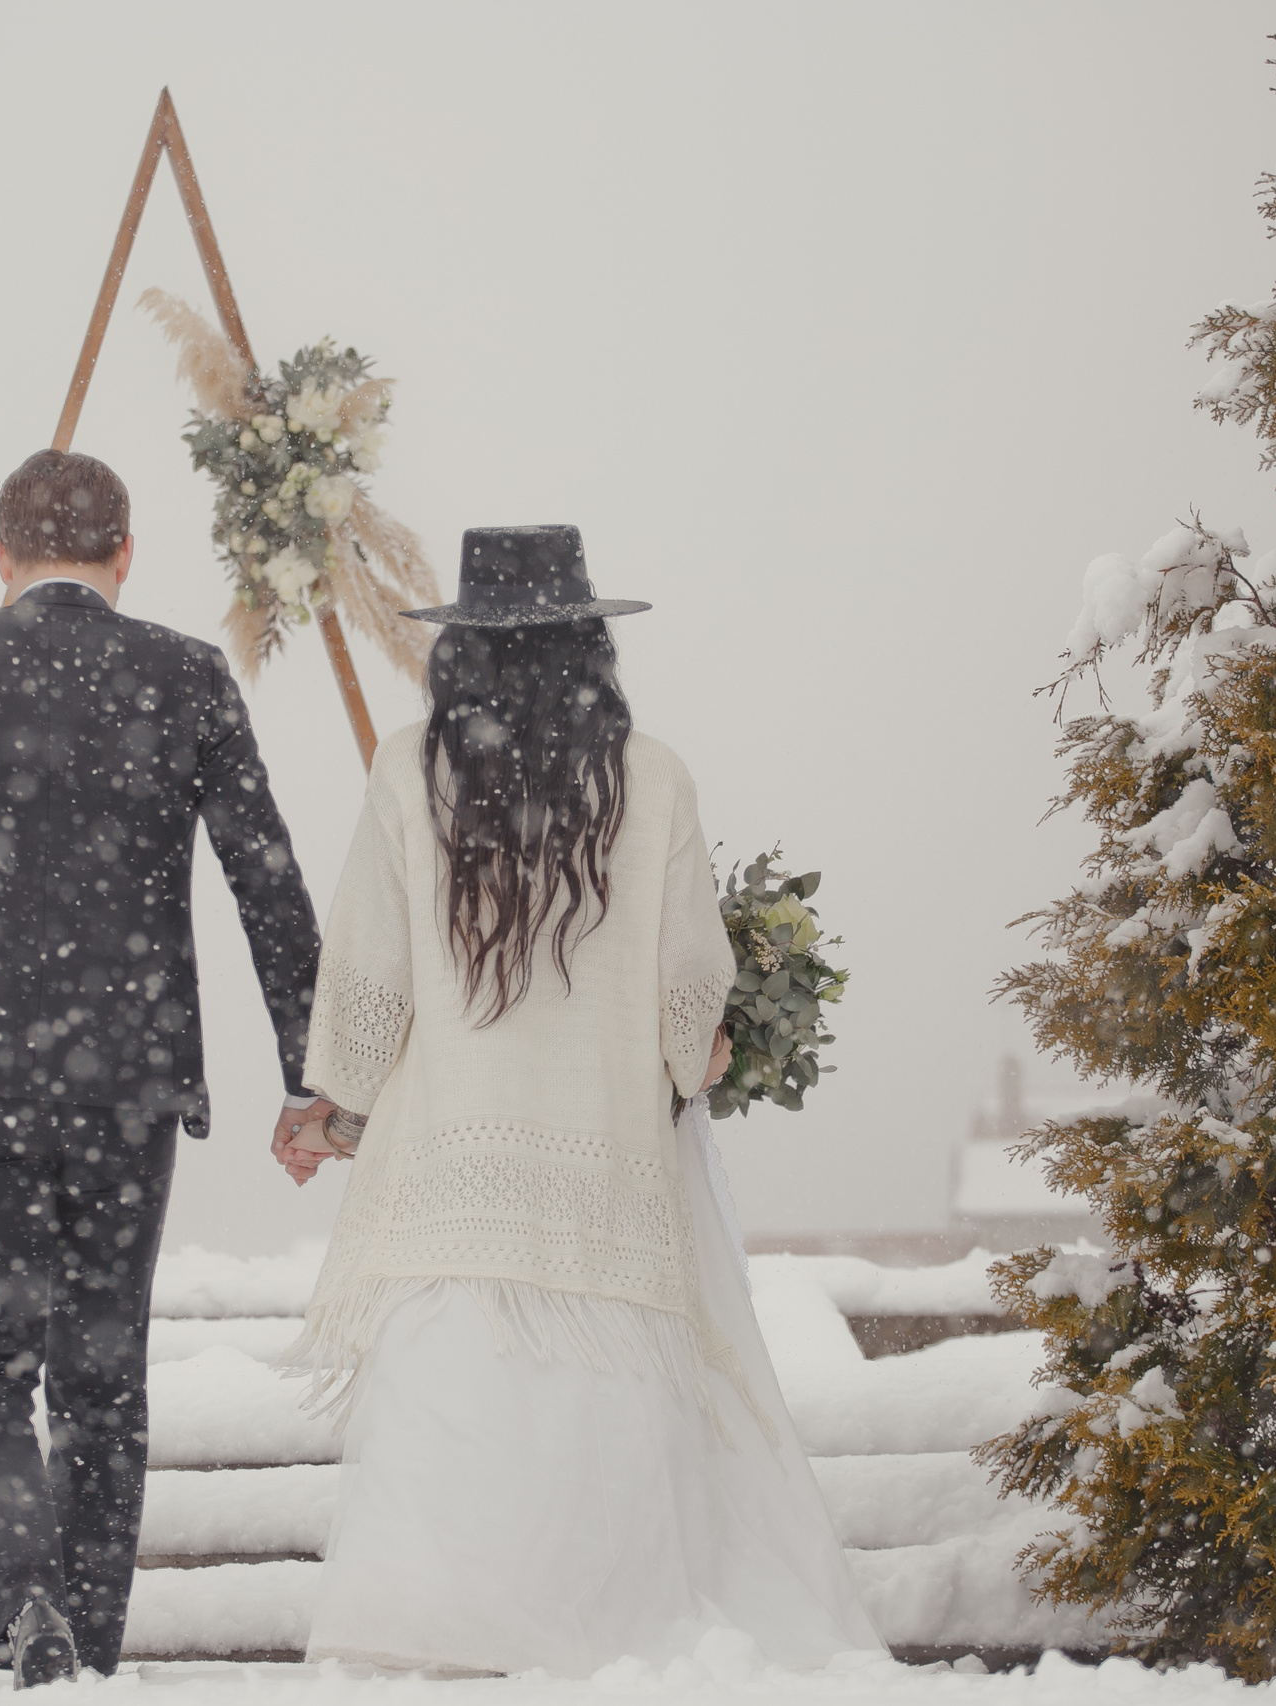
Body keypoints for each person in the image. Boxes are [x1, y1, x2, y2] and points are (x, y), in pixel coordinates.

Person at [273, 526, 881, 1675]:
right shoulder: (652, 779)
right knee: (595, 1434)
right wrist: (693, 1058)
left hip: (452, 1177)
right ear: (591, 644)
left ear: (459, 649)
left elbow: (368, 977)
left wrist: (335, 1106)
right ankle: (598, 1638)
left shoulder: (409, 769)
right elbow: (686, 999)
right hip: (605, 1175)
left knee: (454, 1431)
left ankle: (441, 1632)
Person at [0, 449, 323, 1686]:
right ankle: (89, 1646)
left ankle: (28, 1617)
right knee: (102, 1373)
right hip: (122, 1077)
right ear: (125, 553)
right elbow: (266, 876)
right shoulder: (184, 673)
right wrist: (311, 1068)